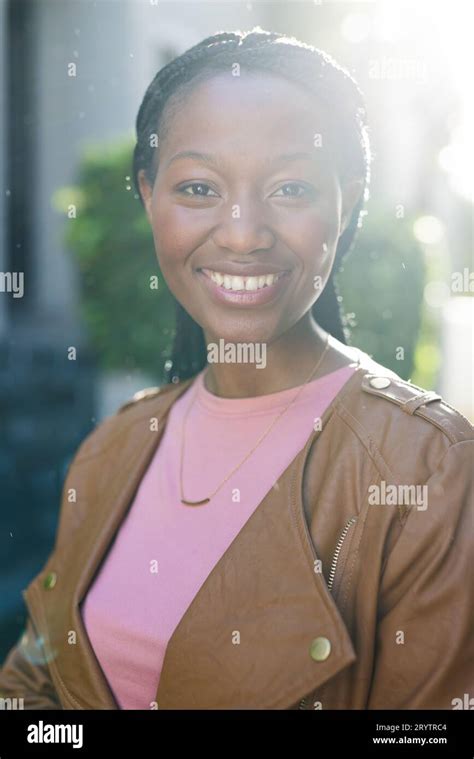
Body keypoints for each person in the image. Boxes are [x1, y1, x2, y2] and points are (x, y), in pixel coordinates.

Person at [0, 27, 472, 711]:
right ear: (146, 194)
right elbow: (32, 687)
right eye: (197, 187)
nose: (243, 232)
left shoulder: (427, 466)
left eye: (289, 187)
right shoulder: (113, 449)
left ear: (345, 204)